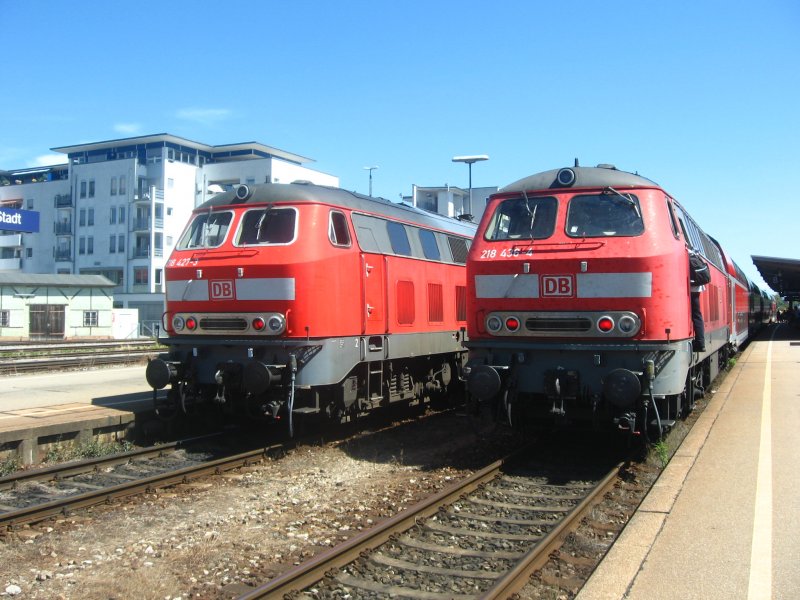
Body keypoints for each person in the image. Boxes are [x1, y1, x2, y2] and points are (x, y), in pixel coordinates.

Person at [688, 250, 709, 352]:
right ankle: (701, 343)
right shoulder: (693, 253)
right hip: (697, 287)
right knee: (697, 315)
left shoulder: (683, 251)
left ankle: (700, 342)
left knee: (694, 314)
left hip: (691, 288)